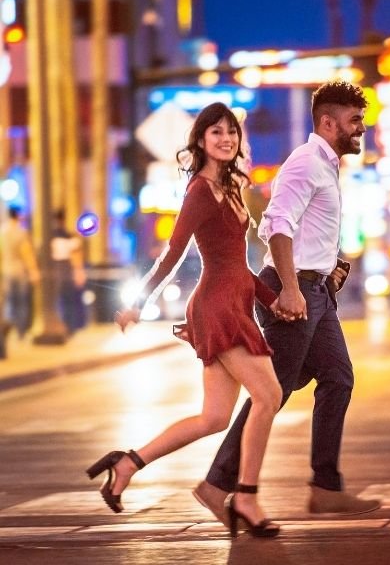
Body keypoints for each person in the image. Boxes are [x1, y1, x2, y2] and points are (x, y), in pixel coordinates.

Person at [86, 102, 283, 539]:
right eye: (216, 132)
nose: (226, 139)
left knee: (214, 417)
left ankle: (127, 463)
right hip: (217, 307)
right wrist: (139, 302)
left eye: (231, 132)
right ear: (200, 141)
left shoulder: (231, 188)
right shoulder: (199, 191)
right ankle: (245, 496)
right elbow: (173, 254)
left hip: (234, 301)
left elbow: (240, 263)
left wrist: (276, 299)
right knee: (268, 396)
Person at [193, 80, 381, 521]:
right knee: (270, 393)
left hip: (317, 291)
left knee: (337, 378)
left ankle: (325, 487)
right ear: (328, 122)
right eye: (354, 122)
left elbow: (306, 230)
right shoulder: (305, 163)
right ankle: (217, 483)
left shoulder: (327, 165)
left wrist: (327, 265)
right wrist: (294, 288)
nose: (361, 130)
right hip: (293, 291)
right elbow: (277, 224)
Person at [0, 206, 40, 338]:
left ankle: (8, 329)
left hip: (6, 271)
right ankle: (21, 332)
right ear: (17, 216)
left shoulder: (2, 232)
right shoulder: (21, 233)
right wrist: (33, 271)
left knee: (9, 302)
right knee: (21, 302)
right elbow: (26, 253)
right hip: (20, 272)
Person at [51, 209, 87, 334]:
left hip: (56, 271)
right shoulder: (70, 237)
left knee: (60, 301)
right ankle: (70, 327)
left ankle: (65, 326)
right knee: (69, 301)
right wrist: (79, 272)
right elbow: (76, 257)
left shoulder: (51, 238)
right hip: (67, 270)